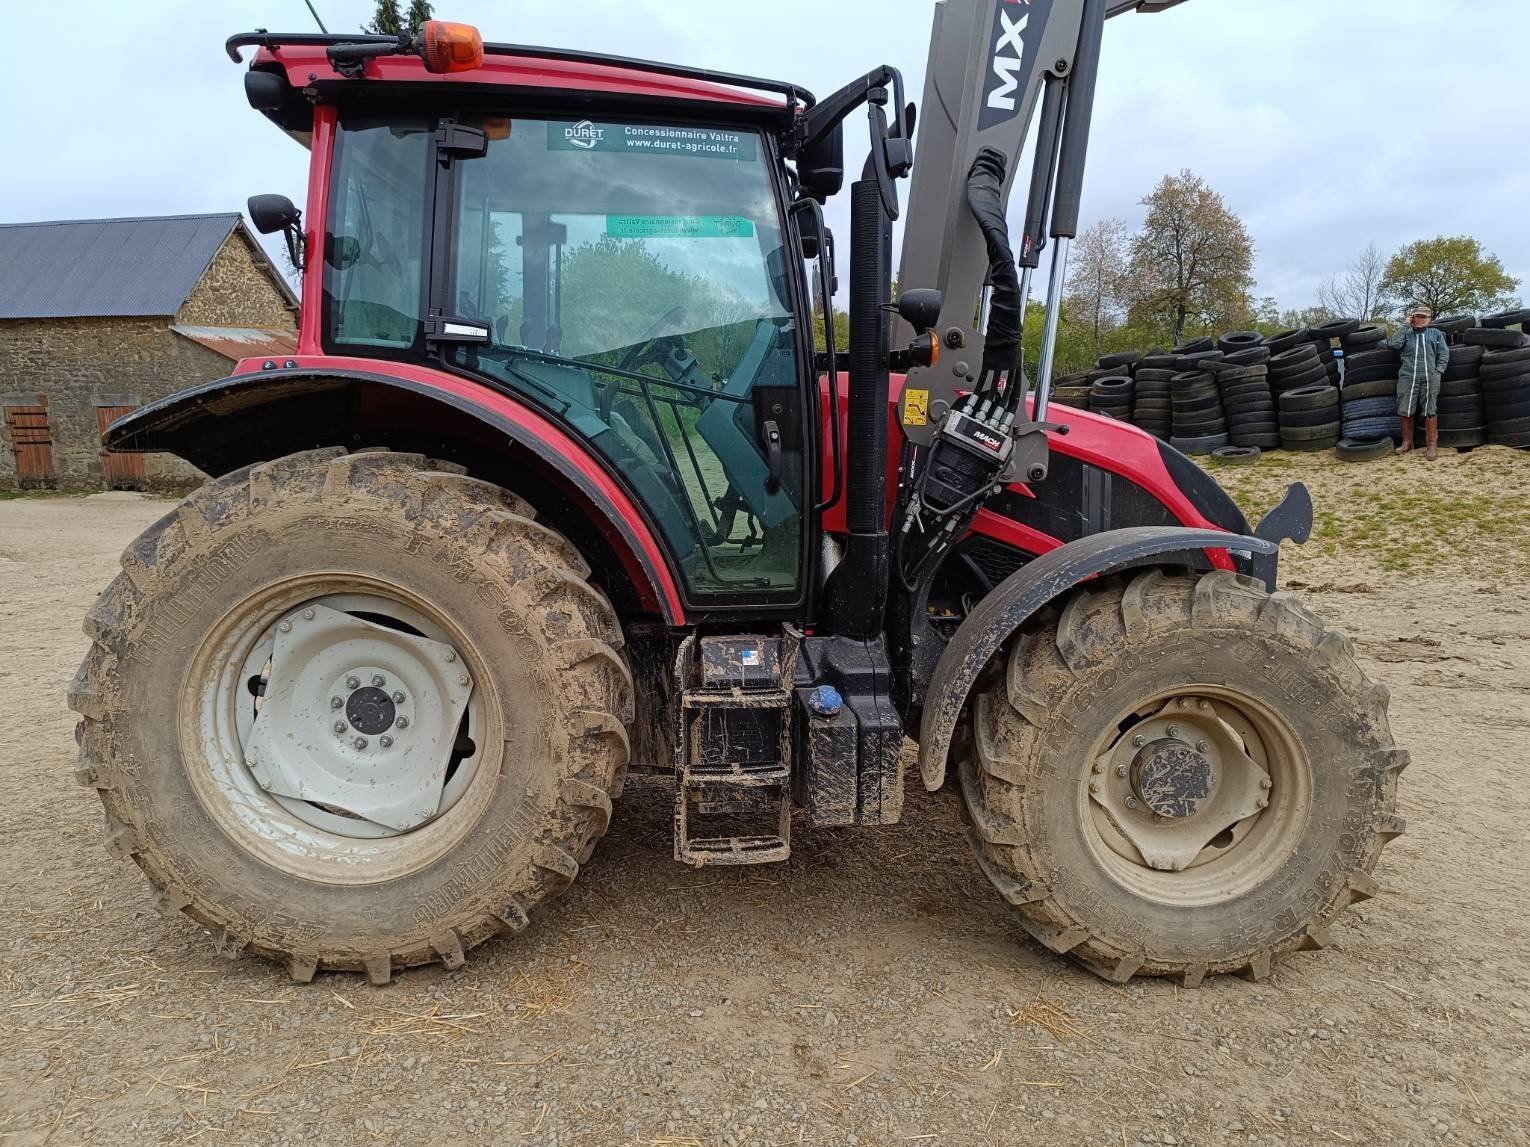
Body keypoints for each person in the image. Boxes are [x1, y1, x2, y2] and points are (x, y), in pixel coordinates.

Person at [1385, 305, 1451, 460]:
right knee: (1405, 409)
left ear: (1429, 319)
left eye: (1424, 317)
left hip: (1430, 377)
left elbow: (1444, 353)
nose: (1421, 319)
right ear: (1412, 318)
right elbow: (1393, 344)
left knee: (1430, 410)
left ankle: (1431, 446)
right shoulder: (1406, 334)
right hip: (1408, 377)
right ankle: (1407, 442)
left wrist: (1438, 371)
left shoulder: (1436, 334)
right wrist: (1404, 325)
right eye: (1418, 316)